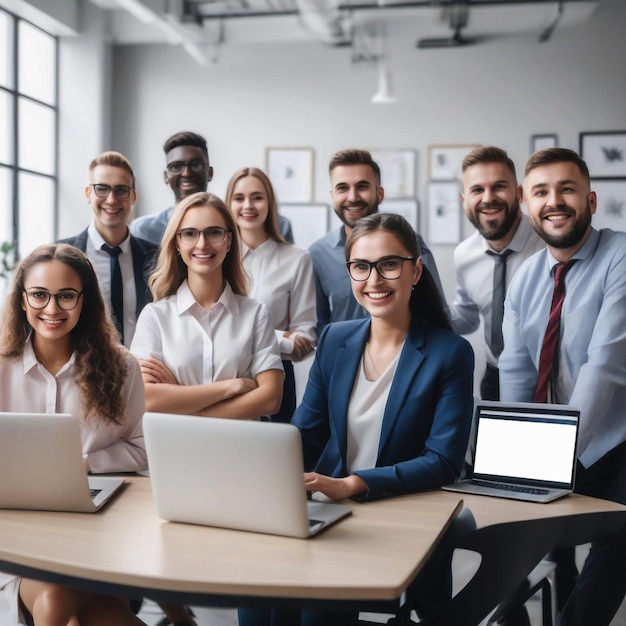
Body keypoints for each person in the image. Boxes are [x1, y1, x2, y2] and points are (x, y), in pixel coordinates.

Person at [295, 213, 474, 625]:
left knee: (313, 616)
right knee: (256, 598)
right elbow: (305, 432)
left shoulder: (450, 353)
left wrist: (353, 484)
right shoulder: (336, 339)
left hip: (400, 512)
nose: (374, 280)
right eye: (361, 266)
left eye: (389, 264)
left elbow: (443, 461)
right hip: (329, 509)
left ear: (415, 270)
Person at [499, 148, 626, 626]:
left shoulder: (621, 255)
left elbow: (606, 365)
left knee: (617, 543)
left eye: (567, 189)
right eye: (541, 192)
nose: (555, 201)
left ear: (590, 199)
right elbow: (514, 370)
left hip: (617, 436)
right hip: (555, 439)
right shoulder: (525, 279)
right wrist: (512, 460)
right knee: (497, 525)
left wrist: (554, 455)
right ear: (526, 206)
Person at [0, 243, 147, 626]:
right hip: (14, 534)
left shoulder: (121, 366)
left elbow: (142, 448)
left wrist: (84, 463)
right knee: (56, 604)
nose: (52, 309)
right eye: (39, 295)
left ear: (85, 301)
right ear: (22, 299)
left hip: (94, 530)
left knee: (83, 612)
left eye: (66, 296)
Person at [130, 191, 284, 421]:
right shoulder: (155, 316)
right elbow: (145, 398)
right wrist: (232, 387)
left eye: (214, 233)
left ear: (229, 240)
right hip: (174, 450)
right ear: (177, 244)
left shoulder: (255, 313)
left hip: (242, 450)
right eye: (190, 234)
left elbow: (271, 399)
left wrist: (181, 400)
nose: (202, 244)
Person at [309, 148, 443, 335]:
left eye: (362, 186)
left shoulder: (412, 244)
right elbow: (319, 325)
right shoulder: (318, 253)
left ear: (379, 193)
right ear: (332, 196)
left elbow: (435, 311)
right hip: (344, 359)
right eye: (342, 188)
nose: (353, 197)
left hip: (407, 355)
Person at [449, 146, 544, 400]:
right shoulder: (464, 255)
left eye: (499, 186)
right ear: (464, 200)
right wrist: (416, 309)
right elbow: (467, 317)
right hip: (493, 378)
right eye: (477, 190)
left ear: (520, 193)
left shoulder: (550, 244)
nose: (488, 198)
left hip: (548, 377)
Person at [225, 166, 316, 424]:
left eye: (257, 197)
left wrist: (242, 333)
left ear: (270, 203)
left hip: (278, 381)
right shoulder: (215, 257)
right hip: (223, 378)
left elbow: (304, 340)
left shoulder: (298, 259)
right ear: (228, 204)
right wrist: (280, 337)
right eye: (239, 198)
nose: (248, 205)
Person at [58, 151, 157, 347]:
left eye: (121, 190)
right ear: (88, 193)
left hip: (140, 371)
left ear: (133, 196)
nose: (111, 200)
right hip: (80, 371)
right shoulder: (61, 255)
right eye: (102, 189)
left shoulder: (157, 257)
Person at [130, 131, 294, 245]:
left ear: (210, 172)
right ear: (166, 176)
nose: (186, 173)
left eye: (196, 165)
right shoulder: (144, 230)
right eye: (176, 166)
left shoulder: (238, 221)